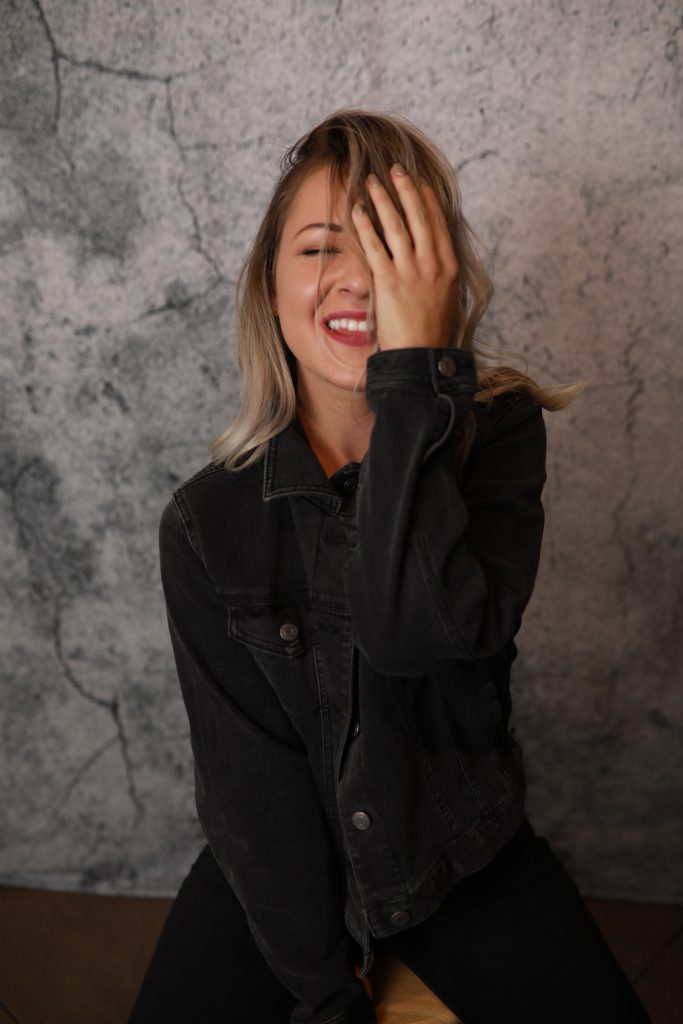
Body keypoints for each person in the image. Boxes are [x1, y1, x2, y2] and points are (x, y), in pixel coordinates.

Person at [128, 110, 651, 1024]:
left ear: (438, 281)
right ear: (268, 285)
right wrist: (327, 999)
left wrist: (414, 373)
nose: (357, 277)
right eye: (321, 246)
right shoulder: (203, 521)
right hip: (277, 874)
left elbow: (411, 635)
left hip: (463, 855)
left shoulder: (499, 439)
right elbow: (253, 801)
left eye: (390, 247)